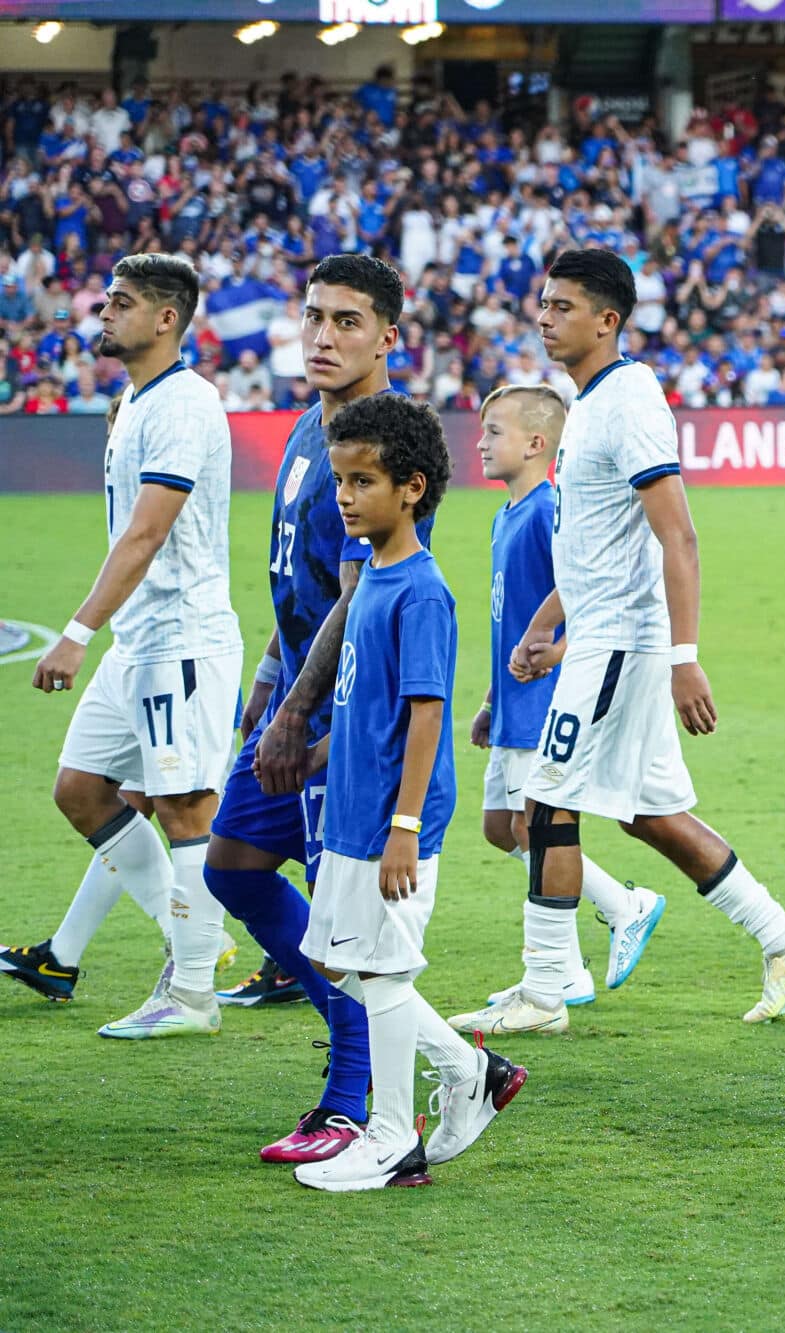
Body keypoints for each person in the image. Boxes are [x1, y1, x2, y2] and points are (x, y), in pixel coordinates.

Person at [504, 248, 785, 1031]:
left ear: (608, 320)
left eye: (563, 306)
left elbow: (676, 535)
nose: (545, 317)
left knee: (546, 802)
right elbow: (598, 545)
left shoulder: (629, 402)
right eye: (543, 304)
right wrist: (549, 624)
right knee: (648, 814)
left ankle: (545, 990)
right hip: (604, 638)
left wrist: (685, 657)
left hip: (625, 642)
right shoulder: (590, 404)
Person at [206, 255, 422, 1164]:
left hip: (344, 722)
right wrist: (264, 694)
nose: (323, 336)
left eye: (346, 321)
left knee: (346, 926)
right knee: (234, 863)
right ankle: (408, 1054)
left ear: (386, 337)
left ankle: (350, 1096)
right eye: (314, 318)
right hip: (292, 701)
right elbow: (294, 591)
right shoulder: (304, 431)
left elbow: (356, 595)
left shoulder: (389, 447)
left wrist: (296, 713)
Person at [1, 255, 242, 1027]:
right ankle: (194, 933)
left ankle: (193, 990)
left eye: (121, 302)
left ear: (166, 318)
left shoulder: (183, 404)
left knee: (182, 805)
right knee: (82, 789)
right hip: (140, 640)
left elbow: (145, 535)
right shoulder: (137, 400)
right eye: (106, 300)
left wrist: (75, 633)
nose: (103, 313)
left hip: (179, 637)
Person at [295, 394, 526, 1191]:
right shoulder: (370, 582)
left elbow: (427, 714)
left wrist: (403, 825)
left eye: (363, 481)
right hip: (354, 813)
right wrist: (315, 753)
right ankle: (471, 1070)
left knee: (385, 972)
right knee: (335, 960)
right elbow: (369, 708)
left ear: (412, 488)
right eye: (340, 481)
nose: (346, 497)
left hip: (395, 820)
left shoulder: (421, 590)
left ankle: (394, 1139)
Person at [449, 384, 665, 1035]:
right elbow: (514, 622)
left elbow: (576, 601)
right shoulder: (506, 512)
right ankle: (578, 947)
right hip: (513, 697)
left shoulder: (548, 511)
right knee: (500, 826)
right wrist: (491, 697)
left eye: (494, 432)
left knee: (533, 827)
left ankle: (608, 919)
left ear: (536, 443)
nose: (481, 442)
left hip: (545, 700)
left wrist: (551, 668)